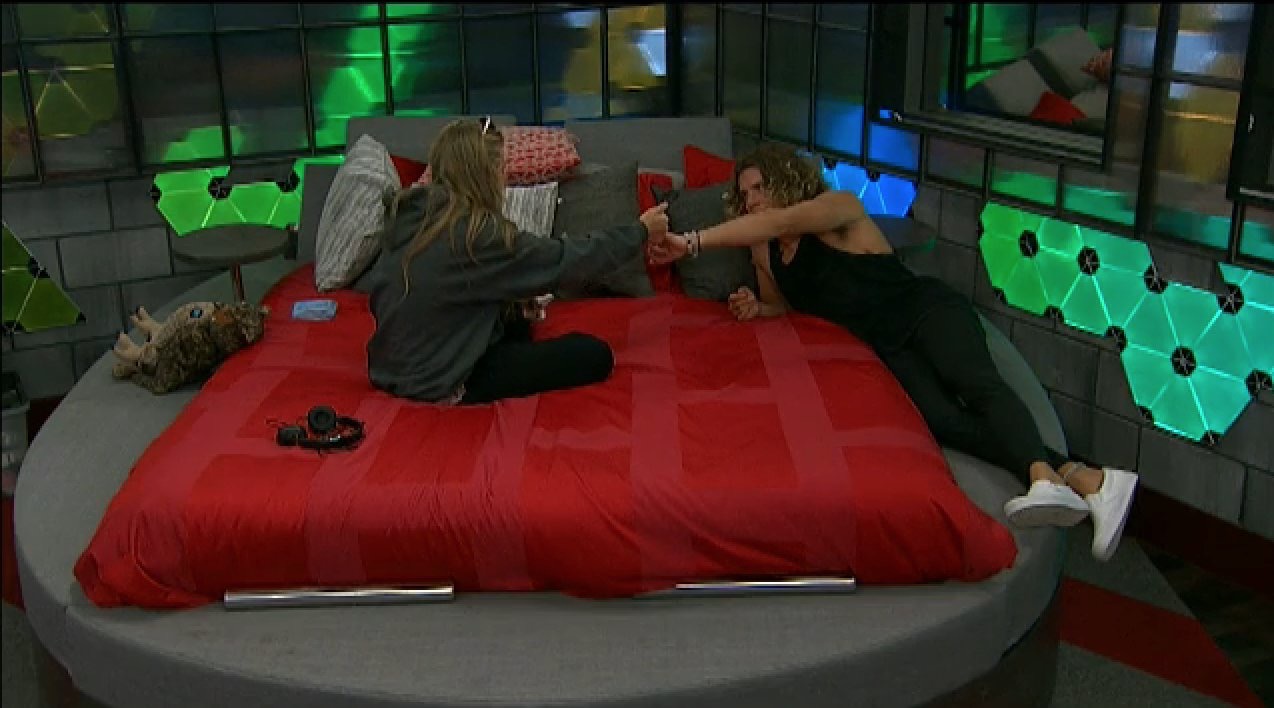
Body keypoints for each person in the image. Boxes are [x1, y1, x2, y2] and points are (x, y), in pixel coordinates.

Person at [648, 143, 1139, 562]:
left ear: (785, 182)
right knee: (944, 420)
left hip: (923, 311)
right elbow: (784, 307)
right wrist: (757, 306)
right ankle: (1089, 478)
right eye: (745, 194)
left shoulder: (833, 209)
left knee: (974, 384)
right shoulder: (768, 250)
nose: (752, 200)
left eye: (760, 188)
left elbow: (784, 219)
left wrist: (690, 243)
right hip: (884, 343)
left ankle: (1041, 477)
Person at [366, 116, 670, 405]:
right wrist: (640, 231)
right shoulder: (476, 234)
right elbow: (566, 258)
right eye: (501, 169)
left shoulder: (408, 216)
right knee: (594, 355)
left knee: (516, 317)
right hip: (441, 379)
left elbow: (436, 288)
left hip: (389, 370)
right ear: (484, 175)